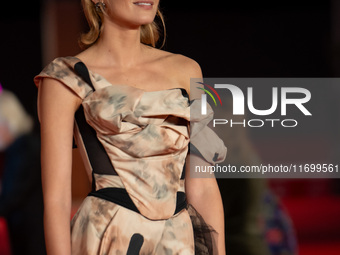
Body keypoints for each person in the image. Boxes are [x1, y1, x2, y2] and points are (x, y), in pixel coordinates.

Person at [34, 0, 227, 254]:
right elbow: (57, 201)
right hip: (107, 238)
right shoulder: (64, 79)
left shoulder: (187, 70)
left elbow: (202, 187)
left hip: (177, 242)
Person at [0, 89, 46, 255]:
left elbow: (13, 194)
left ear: (9, 121)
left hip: (32, 235)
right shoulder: (18, 148)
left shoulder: (25, 148)